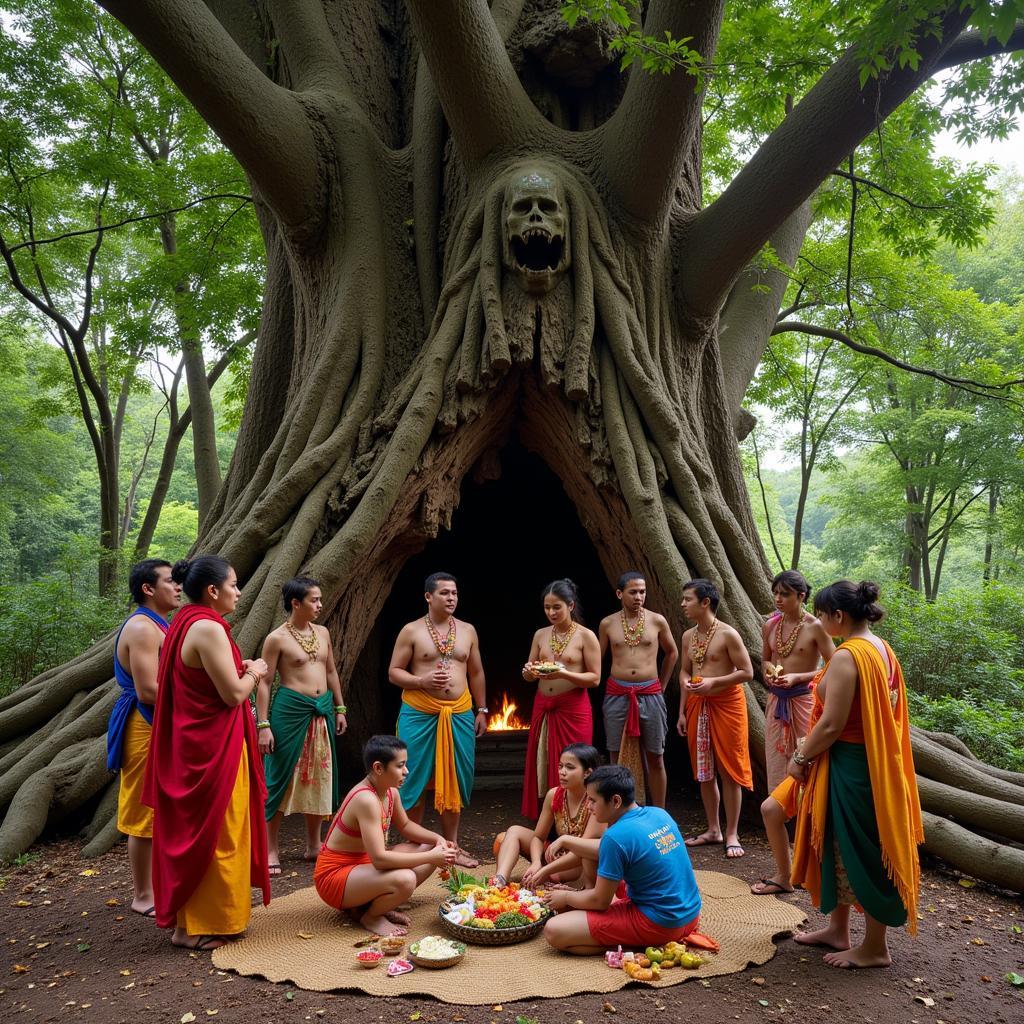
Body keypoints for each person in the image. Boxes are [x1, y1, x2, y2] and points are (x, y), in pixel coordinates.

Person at [784, 581, 923, 969]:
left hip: (853, 765)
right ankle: (837, 929)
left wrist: (799, 756)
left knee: (862, 847)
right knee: (837, 843)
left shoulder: (848, 656)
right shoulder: (881, 647)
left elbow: (832, 724)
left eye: (822, 614)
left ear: (838, 616)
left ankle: (875, 947)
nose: (819, 619)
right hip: (863, 762)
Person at [144, 556, 271, 951]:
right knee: (220, 831)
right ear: (213, 591)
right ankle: (202, 925)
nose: (239, 591)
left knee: (206, 830)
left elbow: (205, 678)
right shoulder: (207, 627)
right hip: (213, 749)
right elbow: (232, 693)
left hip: (193, 743)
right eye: (234, 584)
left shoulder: (183, 622)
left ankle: (192, 923)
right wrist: (255, 671)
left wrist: (240, 667)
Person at [542, 765, 702, 955]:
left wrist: (566, 897)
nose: (588, 806)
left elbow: (600, 901)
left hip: (659, 924)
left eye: (593, 800)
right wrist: (567, 840)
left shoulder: (615, 836)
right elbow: (608, 849)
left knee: (554, 929)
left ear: (615, 801)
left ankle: (631, 947)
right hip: (690, 916)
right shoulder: (659, 813)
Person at [388, 572, 487, 868]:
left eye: (454, 593)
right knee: (412, 777)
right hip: (419, 713)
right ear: (428, 597)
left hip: (459, 713)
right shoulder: (411, 631)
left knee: (454, 778)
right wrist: (422, 680)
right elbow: (394, 672)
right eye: (444, 593)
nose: (451, 598)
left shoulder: (468, 630)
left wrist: (481, 710)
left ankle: (452, 847)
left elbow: (476, 673)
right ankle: (415, 845)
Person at [314, 735, 457, 937]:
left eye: (405, 765)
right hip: (334, 878)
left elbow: (406, 826)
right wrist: (432, 857)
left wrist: (438, 840)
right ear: (379, 768)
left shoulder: (391, 792)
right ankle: (371, 916)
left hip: (362, 868)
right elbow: (380, 859)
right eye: (400, 766)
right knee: (406, 879)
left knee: (428, 847)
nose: (406, 771)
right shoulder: (366, 799)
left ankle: (366, 905)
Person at [105, 558, 182, 918]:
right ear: (148, 589)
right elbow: (148, 689)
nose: (177, 586)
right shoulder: (142, 628)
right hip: (144, 724)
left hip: (162, 723)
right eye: (170, 581)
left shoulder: (161, 624)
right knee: (142, 806)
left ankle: (162, 884)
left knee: (166, 804)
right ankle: (142, 893)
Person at [257, 577, 347, 875]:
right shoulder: (277, 638)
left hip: (322, 712)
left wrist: (340, 708)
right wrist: (263, 724)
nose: (320, 605)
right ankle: (271, 848)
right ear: (296, 603)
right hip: (290, 712)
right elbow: (266, 682)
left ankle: (314, 844)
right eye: (314, 600)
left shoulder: (323, 632)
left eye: (320, 600)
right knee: (281, 777)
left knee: (318, 776)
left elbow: (331, 670)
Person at [676, 579, 754, 859]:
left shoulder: (728, 634)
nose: (683, 604)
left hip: (727, 704)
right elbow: (684, 672)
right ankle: (713, 829)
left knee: (728, 770)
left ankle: (731, 832)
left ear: (705, 602)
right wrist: (683, 709)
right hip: (698, 704)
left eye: (688, 599)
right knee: (704, 770)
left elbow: (747, 672)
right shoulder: (688, 636)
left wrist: (713, 683)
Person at [521, 579, 600, 819]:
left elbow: (595, 678)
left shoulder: (586, 636)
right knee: (543, 762)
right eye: (547, 607)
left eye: (557, 607)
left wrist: (564, 673)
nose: (551, 612)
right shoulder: (540, 634)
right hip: (543, 706)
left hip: (573, 708)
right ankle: (549, 818)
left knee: (575, 762)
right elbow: (531, 672)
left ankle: (577, 817)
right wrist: (528, 672)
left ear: (571, 605)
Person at [599, 571, 678, 807]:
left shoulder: (657, 620)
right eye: (633, 592)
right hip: (617, 694)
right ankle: (621, 812)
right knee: (617, 756)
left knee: (656, 757)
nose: (639, 597)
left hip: (650, 693)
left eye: (642, 592)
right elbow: (596, 659)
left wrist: (660, 686)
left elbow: (672, 653)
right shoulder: (607, 623)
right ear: (619, 593)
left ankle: (659, 813)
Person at [761, 570, 834, 791]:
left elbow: (835, 666)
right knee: (775, 760)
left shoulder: (816, 627)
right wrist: (767, 670)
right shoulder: (770, 626)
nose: (777, 599)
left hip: (804, 701)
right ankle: (779, 812)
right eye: (775, 593)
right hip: (776, 702)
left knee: (806, 761)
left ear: (801, 596)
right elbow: (765, 659)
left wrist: (797, 677)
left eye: (784, 594)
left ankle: (808, 816)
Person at [492, 743, 602, 889]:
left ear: (587, 773)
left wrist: (546, 869)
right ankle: (499, 882)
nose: (562, 772)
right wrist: (537, 861)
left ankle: (553, 879)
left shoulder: (596, 800)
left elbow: (584, 851)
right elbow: (538, 837)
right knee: (511, 833)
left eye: (569, 767)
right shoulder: (554, 794)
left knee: (556, 873)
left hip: (580, 863)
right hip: (555, 854)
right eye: (560, 766)